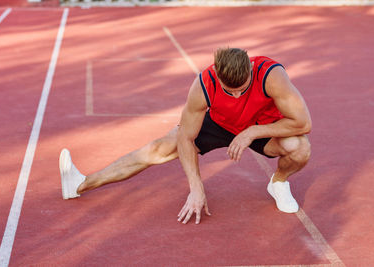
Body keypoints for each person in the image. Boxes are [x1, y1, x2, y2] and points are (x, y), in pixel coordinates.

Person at [59, 47, 311, 225]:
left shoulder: (271, 74)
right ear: (217, 75)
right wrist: (196, 186)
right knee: (158, 149)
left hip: (260, 124)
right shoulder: (204, 84)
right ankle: (80, 183)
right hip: (218, 123)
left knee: (300, 147)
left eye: (242, 90)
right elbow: (185, 138)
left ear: (251, 69)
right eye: (229, 91)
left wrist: (253, 132)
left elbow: (303, 122)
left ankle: (278, 182)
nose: (235, 96)